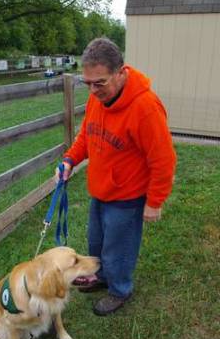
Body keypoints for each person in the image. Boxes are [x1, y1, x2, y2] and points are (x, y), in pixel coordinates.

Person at [57, 37, 176, 316]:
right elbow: (87, 135)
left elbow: (163, 159)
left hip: (127, 197)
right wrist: (69, 160)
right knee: (96, 242)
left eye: (100, 82)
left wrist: (155, 202)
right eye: (87, 83)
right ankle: (101, 277)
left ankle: (120, 289)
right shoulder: (97, 99)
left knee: (118, 249)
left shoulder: (145, 107)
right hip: (100, 191)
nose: (93, 90)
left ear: (121, 73)